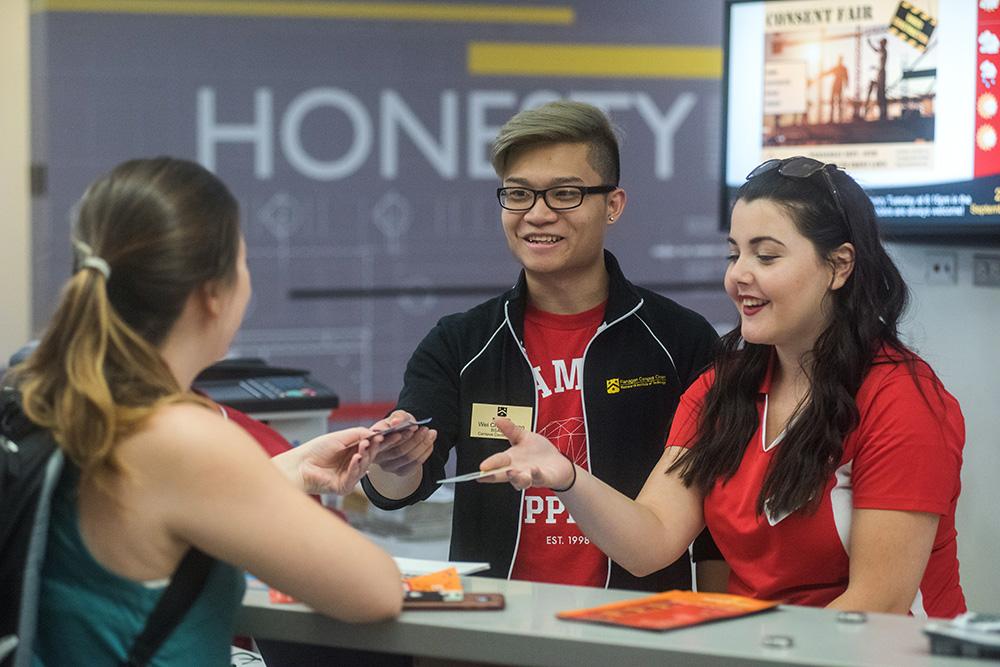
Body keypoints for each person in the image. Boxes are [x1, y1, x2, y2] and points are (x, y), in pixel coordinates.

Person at [480, 155, 966, 618]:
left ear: (839, 266)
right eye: (734, 254)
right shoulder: (722, 388)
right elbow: (651, 542)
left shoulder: (901, 401)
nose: (739, 277)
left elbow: (875, 606)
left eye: (767, 256)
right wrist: (565, 476)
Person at [8, 157, 404, 665]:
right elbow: (375, 590)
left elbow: (153, 512)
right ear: (211, 295)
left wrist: (284, 475)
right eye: (242, 261)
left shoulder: (51, 398)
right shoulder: (179, 436)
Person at [361, 100, 725, 593]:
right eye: (519, 194)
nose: (537, 214)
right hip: (498, 627)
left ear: (613, 204)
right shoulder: (461, 342)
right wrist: (392, 461)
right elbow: (402, 485)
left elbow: (717, 523)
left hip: (638, 628)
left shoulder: (680, 340)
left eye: (564, 194)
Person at [819, 56, 849, 123]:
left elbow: (846, 77)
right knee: (835, 102)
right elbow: (828, 72)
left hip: (837, 85)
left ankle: (837, 118)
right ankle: (834, 119)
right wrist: (822, 74)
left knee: (837, 102)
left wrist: (847, 84)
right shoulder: (841, 68)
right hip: (836, 85)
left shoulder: (842, 68)